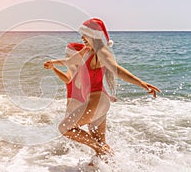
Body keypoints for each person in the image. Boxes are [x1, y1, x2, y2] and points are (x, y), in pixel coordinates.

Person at [43, 18, 161, 164]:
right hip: (98, 102)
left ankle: (100, 149)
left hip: (97, 101)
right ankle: (115, 165)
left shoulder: (101, 51)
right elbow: (69, 62)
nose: (82, 38)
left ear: (93, 35)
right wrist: (53, 63)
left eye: (85, 34)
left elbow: (116, 70)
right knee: (101, 146)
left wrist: (142, 84)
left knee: (65, 127)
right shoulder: (87, 51)